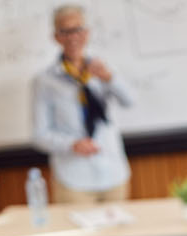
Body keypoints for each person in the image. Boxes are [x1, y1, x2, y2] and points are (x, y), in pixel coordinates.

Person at [32, 4, 133, 204]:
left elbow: (129, 101)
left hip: (113, 172)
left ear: (87, 32)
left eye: (77, 29)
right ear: (56, 37)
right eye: (65, 31)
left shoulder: (102, 69)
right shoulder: (45, 81)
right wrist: (71, 144)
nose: (73, 37)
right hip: (74, 178)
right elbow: (39, 134)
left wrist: (109, 78)